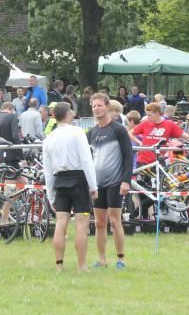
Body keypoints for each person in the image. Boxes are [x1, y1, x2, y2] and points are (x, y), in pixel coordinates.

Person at [41, 102, 97, 272]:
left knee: (60, 223)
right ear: (67, 114)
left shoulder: (49, 138)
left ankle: (59, 265)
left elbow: (47, 170)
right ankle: (82, 265)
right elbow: (86, 160)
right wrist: (93, 185)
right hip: (79, 179)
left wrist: (50, 194)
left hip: (60, 180)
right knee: (81, 223)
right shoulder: (77, 132)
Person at [88, 93, 133, 268]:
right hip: (97, 183)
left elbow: (128, 156)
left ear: (107, 107)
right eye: (93, 106)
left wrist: (126, 180)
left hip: (115, 182)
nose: (96, 109)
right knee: (99, 223)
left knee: (115, 220)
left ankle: (121, 258)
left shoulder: (118, 129)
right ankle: (101, 259)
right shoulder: (92, 132)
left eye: (99, 105)